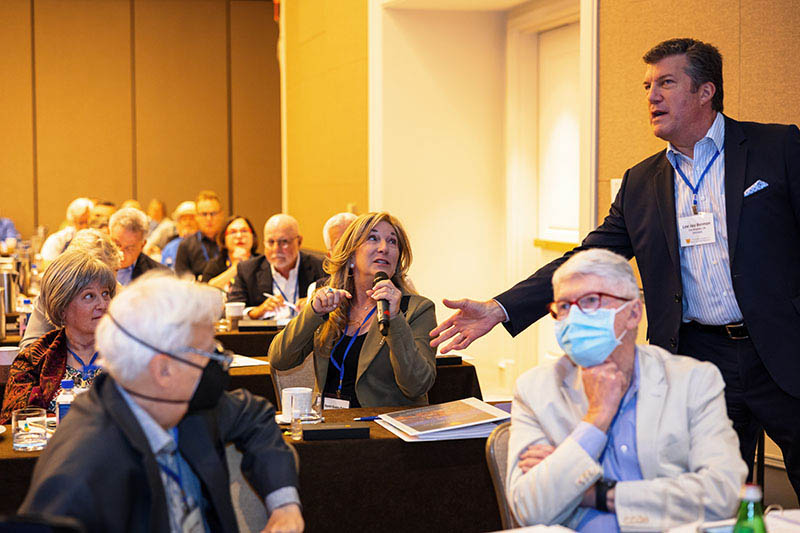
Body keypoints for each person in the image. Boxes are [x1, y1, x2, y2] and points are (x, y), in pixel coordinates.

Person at [431, 37, 800, 500]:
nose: (652, 96)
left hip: (783, 347)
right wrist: (500, 307)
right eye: (647, 86)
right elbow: (586, 259)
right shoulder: (642, 182)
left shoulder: (777, 147)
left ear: (705, 91)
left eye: (666, 83)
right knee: (711, 494)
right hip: (698, 357)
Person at [19, 273, 304, 533]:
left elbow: (255, 415)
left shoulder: (181, 403)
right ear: (163, 370)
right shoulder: (86, 470)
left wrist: (284, 506)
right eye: (208, 355)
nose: (218, 366)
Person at [507, 249, 746, 531]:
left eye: (591, 301)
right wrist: (596, 419)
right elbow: (528, 509)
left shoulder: (693, 381)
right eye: (564, 306)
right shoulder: (535, 390)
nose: (574, 317)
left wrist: (597, 493)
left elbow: (723, 495)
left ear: (634, 313)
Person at [269, 212, 436, 408]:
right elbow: (280, 359)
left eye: (392, 241)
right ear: (350, 257)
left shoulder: (418, 309)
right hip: (332, 422)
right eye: (372, 238)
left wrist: (395, 318)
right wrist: (313, 312)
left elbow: (417, 385)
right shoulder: (331, 303)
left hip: (384, 424)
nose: (384, 248)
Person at [1, 250, 116, 423]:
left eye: (105, 293)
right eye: (89, 296)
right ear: (62, 308)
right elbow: (14, 422)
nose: (103, 304)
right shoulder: (35, 360)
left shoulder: (128, 352)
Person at [20, 229, 122, 350]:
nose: (102, 303)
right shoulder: (55, 295)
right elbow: (30, 348)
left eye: (105, 278)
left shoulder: (125, 300)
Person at [230, 214, 324, 320]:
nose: (276, 249)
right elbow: (233, 307)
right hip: (267, 331)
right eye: (271, 242)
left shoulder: (320, 268)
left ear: (299, 241)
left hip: (307, 330)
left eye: (284, 242)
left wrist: (315, 304)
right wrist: (257, 312)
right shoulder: (247, 270)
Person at [109, 207, 168, 286]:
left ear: (142, 245)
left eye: (129, 248)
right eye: (116, 244)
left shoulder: (160, 276)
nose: (120, 253)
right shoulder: (94, 264)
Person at [200, 215, 258, 293]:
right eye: (233, 232)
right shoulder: (215, 265)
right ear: (224, 239)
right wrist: (235, 268)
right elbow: (205, 291)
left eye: (244, 231)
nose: (239, 236)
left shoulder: (263, 263)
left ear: (253, 236)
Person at [175, 191, 224, 278]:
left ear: (221, 215)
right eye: (204, 214)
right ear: (197, 217)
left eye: (213, 214)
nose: (209, 218)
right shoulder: (186, 245)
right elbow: (181, 280)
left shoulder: (228, 242)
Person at [40, 197, 94, 263]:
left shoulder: (98, 240)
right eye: (81, 223)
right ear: (73, 222)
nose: (85, 227)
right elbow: (48, 265)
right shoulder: (57, 240)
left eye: (88, 222)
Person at [152, 200, 197, 267]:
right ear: (178, 224)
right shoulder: (170, 247)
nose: (188, 222)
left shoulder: (203, 246)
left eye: (191, 219)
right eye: (184, 219)